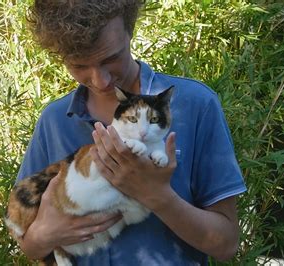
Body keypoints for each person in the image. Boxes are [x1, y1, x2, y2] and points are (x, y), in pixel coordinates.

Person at [16, 0, 247, 265]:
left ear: (130, 29)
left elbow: (226, 244)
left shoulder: (196, 105)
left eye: (111, 58)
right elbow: (29, 245)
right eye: (79, 66)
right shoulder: (53, 121)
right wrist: (45, 234)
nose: (101, 80)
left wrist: (156, 196)